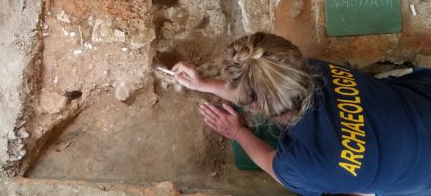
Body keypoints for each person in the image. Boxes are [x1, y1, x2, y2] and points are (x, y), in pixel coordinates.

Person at [171, 32, 431, 196]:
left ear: (255, 107)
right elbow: (261, 90)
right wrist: (202, 83)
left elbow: (269, 162)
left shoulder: (304, 165)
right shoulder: (317, 68)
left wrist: (237, 131)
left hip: (422, 174)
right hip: (421, 98)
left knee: (352, 189)